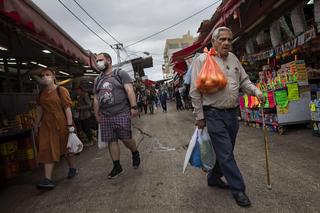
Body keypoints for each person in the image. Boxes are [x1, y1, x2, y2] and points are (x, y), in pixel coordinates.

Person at [189, 27, 264, 207]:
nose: (226, 43)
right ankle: (238, 189)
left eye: (229, 40)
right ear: (213, 41)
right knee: (226, 153)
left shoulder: (233, 59)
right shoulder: (202, 60)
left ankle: (214, 177)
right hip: (213, 114)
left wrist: (256, 91)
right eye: (222, 39)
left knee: (226, 152)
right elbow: (194, 90)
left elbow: (244, 81)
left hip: (232, 114)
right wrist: (199, 115)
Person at [93, 52, 141, 179]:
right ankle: (117, 166)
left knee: (126, 138)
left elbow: (129, 90)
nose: (98, 63)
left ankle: (135, 152)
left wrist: (134, 107)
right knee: (111, 140)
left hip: (121, 112)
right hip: (106, 115)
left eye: (100, 60)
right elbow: (96, 98)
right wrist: (96, 113)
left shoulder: (120, 74)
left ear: (109, 60)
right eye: (96, 61)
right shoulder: (97, 79)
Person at [34, 67, 77, 189]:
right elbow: (39, 110)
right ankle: (47, 179)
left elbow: (67, 108)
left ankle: (73, 168)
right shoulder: (41, 94)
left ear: (53, 77)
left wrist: (69, 126)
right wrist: (36, 125)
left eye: (47, 74)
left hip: (62, 122)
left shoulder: (61, 90)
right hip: (47, 125)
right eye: (42, 75)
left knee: (66, 147)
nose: (44, 77)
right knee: (47, 148)